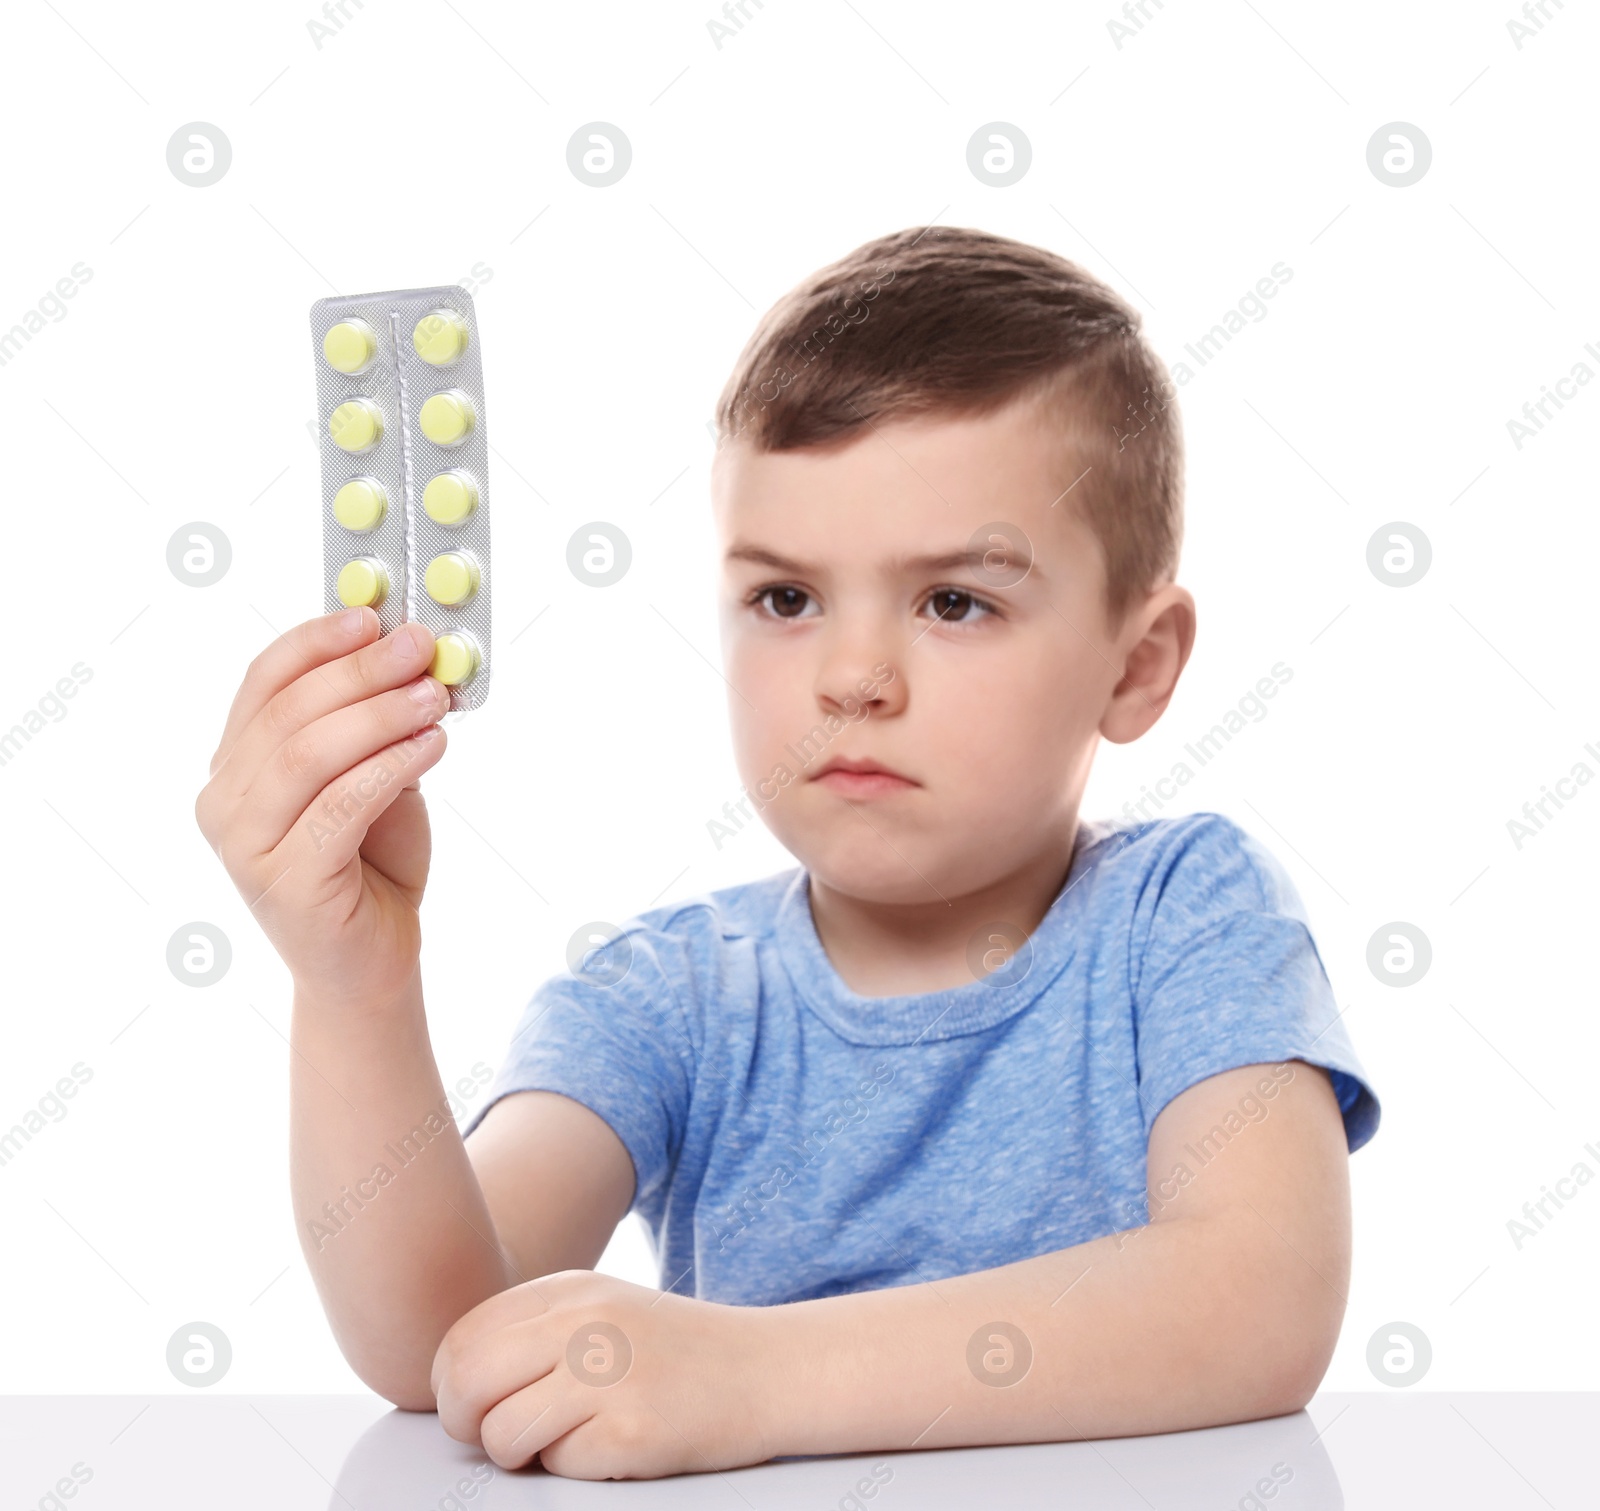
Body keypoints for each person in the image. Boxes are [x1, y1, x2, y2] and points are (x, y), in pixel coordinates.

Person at [195, 224, 1379, 1480]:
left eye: (953, 601)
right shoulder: (672, 993)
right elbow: (442, 1336)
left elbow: (1260, 1300)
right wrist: (353, 985)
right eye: (785, 599)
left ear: (1135, 665)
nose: (852, 677)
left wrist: (755, 1375)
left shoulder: (1187, 915)